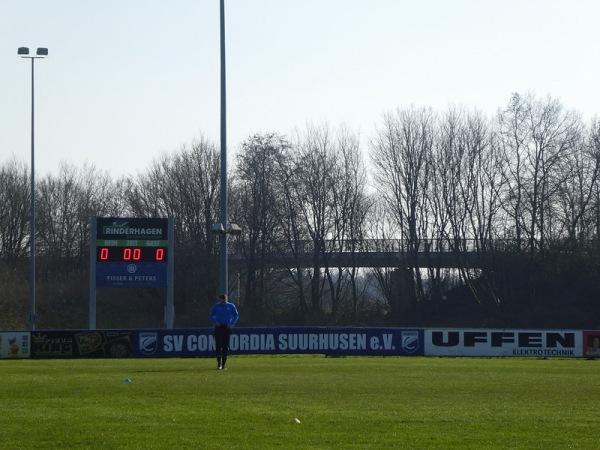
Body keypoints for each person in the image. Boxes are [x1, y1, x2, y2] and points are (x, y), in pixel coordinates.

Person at [209, 294, 239, 370]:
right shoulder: (216, 306)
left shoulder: (231, 306)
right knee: (218, 344)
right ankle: (219, 363)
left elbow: (236, 315)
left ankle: (223, 364)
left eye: (224, 300)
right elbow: (211, 315)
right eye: (222, 300)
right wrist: (215, 321)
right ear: (220, 300)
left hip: (227, 327)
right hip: (218, 327)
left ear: (226, 299)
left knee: (226, 345)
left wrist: (231, 323)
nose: (223, 302)